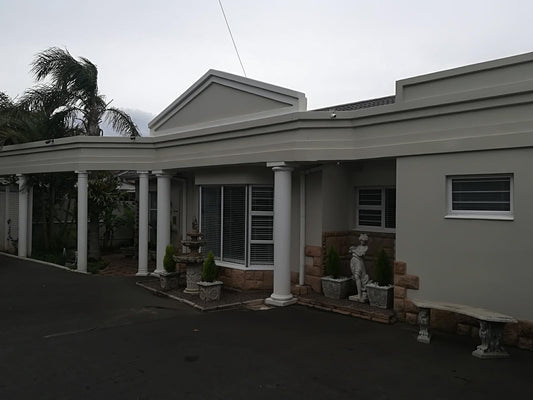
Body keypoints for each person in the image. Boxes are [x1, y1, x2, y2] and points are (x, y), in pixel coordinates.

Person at [349, 234, 369, 303]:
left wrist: (353, 250)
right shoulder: (358, 246)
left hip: (359, 262)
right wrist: (352, 249)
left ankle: (360, 295)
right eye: (361, 240)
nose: (362, 242)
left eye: (364, 241)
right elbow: (351, 251)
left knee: (357, 276)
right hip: (354, 261)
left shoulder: (365, 247)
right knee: (355, 277)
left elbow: (360, 254)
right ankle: (358, 293)